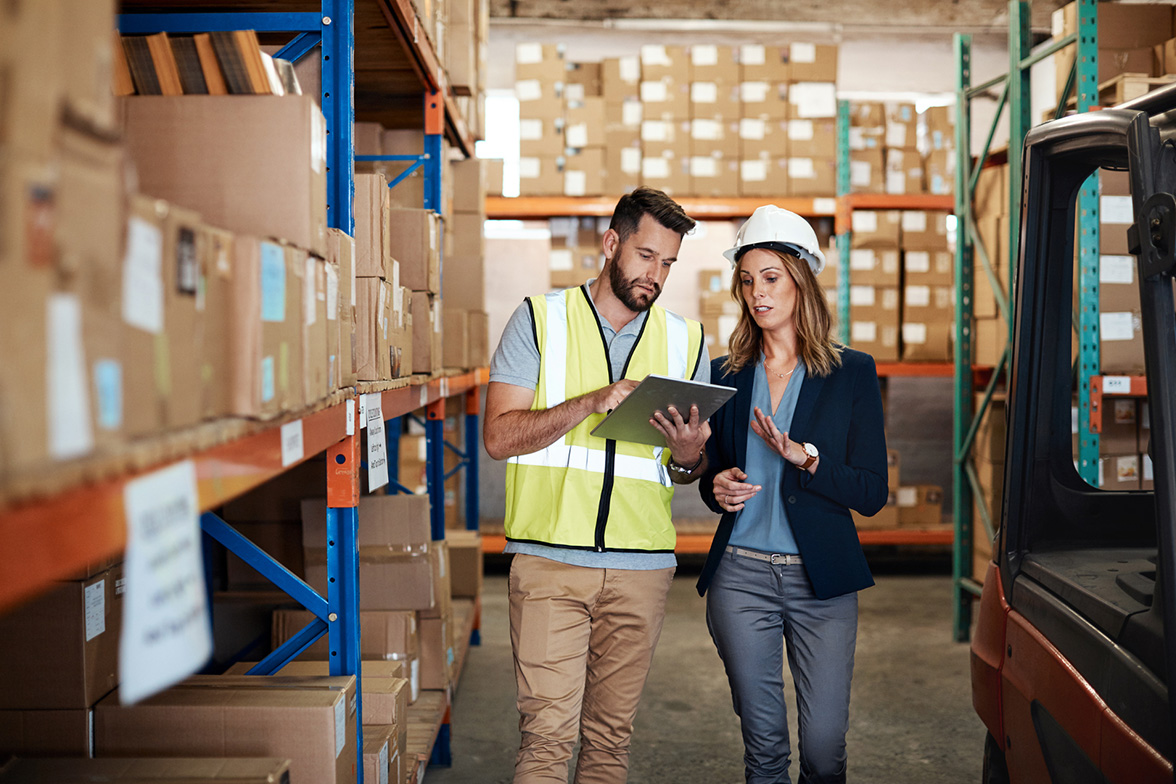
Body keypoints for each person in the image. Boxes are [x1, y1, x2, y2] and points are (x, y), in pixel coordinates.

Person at [483, 186, 712, 784]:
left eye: (668, 263)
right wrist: (591, 401)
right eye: (645, 256)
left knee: (610, 745)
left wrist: (691, 457)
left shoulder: (688, 342)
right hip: (549, 566)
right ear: (611, 244)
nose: (655, 275)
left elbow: (684, 472)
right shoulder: (538, 320)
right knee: (546, 743)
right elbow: (499, 438)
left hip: (643, 570)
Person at [696, 205, 889, 784]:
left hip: (821, 582)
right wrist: (714, 484)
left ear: (803, 279)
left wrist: (806, 458)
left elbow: (872, 492)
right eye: (748, 280)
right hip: (741, 578)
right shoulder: (725, 374)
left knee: (825, 751)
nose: (758, 293)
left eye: (772, 277)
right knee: (764, 749)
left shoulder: (850, 373)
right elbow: (714, 475)